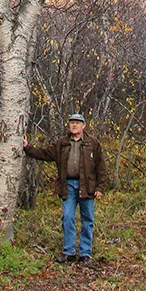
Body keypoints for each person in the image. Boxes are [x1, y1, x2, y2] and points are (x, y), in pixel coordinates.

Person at [23, 112, 107, 264]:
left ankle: (85, 254)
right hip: (68, 185)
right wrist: (27, 148)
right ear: (69, 125)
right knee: (68, 217)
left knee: (87, 220)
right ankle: (69, 252)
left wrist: (100, 187)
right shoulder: (61, 144)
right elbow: (45, 153)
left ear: (84, 126)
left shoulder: (93, 143)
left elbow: (101, 167)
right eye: (72, 122)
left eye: (77, 123)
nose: (74, 125)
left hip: (87, 186)